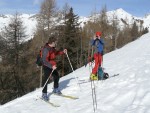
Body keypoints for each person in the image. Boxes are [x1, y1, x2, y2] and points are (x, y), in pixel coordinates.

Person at [41, 35, 67, 101]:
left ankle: (55, 89)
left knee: (56, 76)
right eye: (55, 42)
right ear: (52, 43)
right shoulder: (46, 49)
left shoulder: (52, 48)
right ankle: (44, 94)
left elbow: (56, 53)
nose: (56, 43)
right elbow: (44, 60)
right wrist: (51, 66)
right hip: (47, 65)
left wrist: (63, 52)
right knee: (46, 79)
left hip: (52, 65)